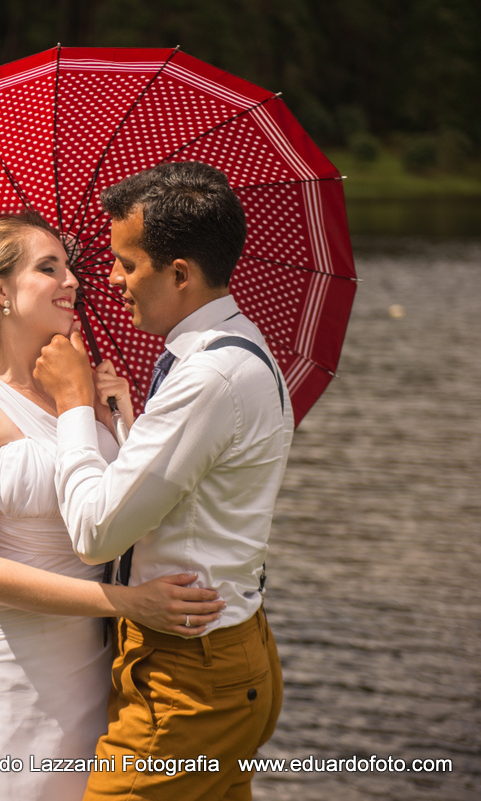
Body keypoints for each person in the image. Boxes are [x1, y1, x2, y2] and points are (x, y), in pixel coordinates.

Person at [0, 212, 225, 801]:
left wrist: (119, 417)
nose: (71, 280)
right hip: (11, 668)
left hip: (96, 665)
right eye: (48, 268)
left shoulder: (83, 399)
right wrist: (131, 604)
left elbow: (130, 518)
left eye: (69, 266)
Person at [34, 161, 294, 800]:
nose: (111, 280)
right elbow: (181, 498)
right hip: (225, 656)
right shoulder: (240, 346)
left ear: (179, 274)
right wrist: (125, 421)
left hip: (189, 682)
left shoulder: (208, 379)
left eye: (126, 263)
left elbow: (96, 532)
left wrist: (72, 405)